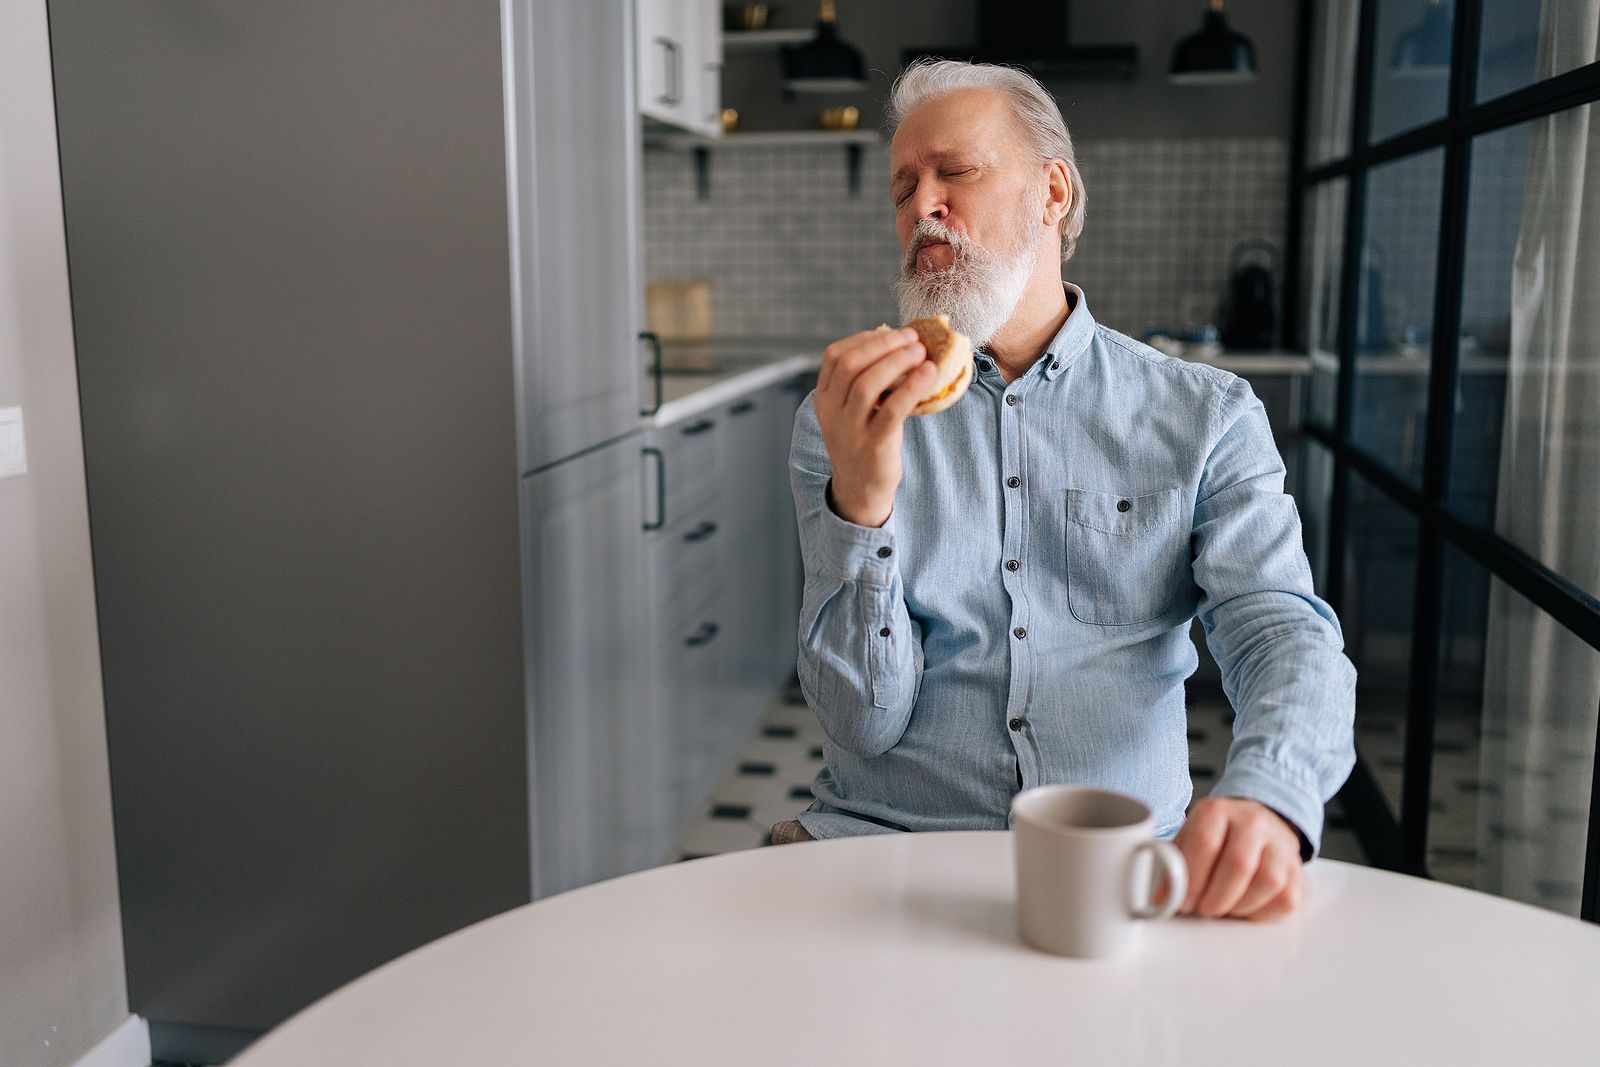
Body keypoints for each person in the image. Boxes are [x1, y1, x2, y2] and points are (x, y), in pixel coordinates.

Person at [777, 59, 1356, 922]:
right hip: (886, 847)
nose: (921, 208)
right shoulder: (849, 415)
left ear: (1053, 192)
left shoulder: (1206, 416)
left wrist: (1270, 792)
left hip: (1122, 868)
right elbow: (862, 721)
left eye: (954, 172)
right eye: (903, 187)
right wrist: (862, 505)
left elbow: (1280, 630)